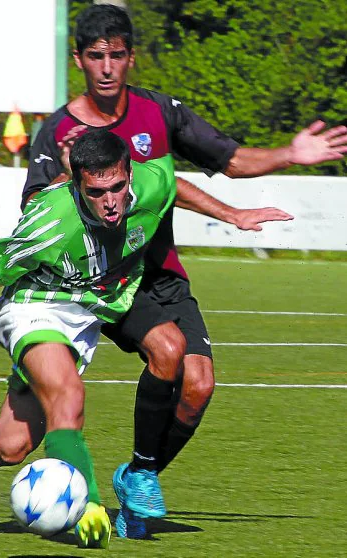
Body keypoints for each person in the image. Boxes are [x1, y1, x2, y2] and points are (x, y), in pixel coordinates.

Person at [22, 4, 347, 539]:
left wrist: (289, 152)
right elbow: (32, 215)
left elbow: (230, 159)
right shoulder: (57, 130)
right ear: (78, 59)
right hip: (84, 285)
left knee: (198, 385)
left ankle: (139, 475)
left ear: (131, 58)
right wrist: (61, 176)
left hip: (155, 277)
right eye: (96, 56)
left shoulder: (160, 113)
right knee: (12, 440)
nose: (107, 68)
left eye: (117, 55)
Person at [0, 130, 182, 549]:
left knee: (11, 444)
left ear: (129, 174)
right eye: (97, 192)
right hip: (31, 308)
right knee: (67, 395)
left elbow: (174, 182)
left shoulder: (151, 183)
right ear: (77, 184)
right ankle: (88, 509)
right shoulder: (51, 221)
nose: (111, 201)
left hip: (84, 315)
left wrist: (233, 215)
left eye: (117, 187)